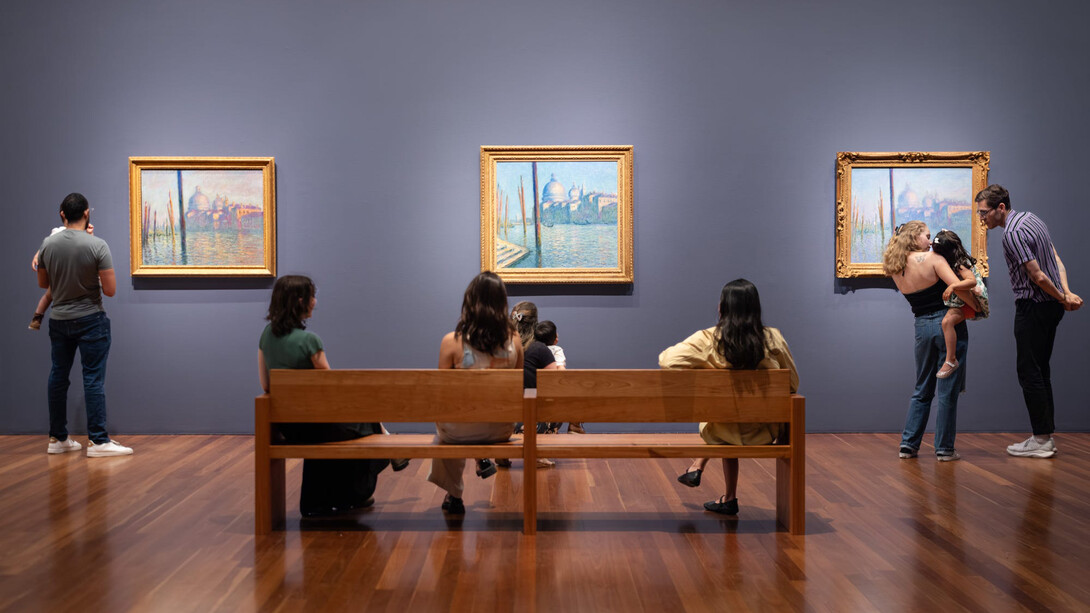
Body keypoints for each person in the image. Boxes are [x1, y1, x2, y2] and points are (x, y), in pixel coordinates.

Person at [660, 278, 799, 515]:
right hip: (762, 431)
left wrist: (711, 368)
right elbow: (793, 384)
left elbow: (667, 360)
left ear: (722, 307)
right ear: (755, 308)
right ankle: (728, 497)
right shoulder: (773, 337)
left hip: (722, 429)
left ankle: (700, 466)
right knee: (731, 419)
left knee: (724, 421)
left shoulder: (709, 339)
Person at [258, 275, 389, 517]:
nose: (315, 302)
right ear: (300, 301)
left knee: (357, 423)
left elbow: (266, 385)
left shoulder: (267, 335)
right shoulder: (310, 341)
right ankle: (355, 493)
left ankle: (324, 499)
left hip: (290, 428)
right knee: (368, 423)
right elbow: (332, 389)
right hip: (317, 425)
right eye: (312, 297)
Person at [975, 185, 1082, 458]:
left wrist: (1062, 297)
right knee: (1040, 369)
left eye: (984, 212)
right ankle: (1044, 435)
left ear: (1001, 208)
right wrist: (1066, 294)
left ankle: (1042, 439)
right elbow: (1056, 260)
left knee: (1029, 371)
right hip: (1050, 307)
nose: (981, 218)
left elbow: (1038, 276)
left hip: (1033, 307)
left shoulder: (1011, 233)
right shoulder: (1032, 219)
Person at [37, 193, 130, 456]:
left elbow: (44, 285)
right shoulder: (97, 245)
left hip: (59, 320)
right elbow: (110, 290)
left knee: (58, 377)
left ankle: (57, 439)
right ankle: (98, 441)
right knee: (92, 380)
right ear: (87, 213)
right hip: (91, 320)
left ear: (62, 214)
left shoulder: (48, 244)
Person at [428, 272, 524, 514]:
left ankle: (454, 493)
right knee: (457, 423)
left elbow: (442, 395)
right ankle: (478, 459)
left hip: (459, 432)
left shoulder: (451, 342)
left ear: (469, 302)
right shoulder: (515, 341)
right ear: (502, 303)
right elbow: (519, 387)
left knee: (448, 427)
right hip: (501, 429)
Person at [882, 221, 967, 462]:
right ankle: (944, 449)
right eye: (927, 236)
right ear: (914, 237)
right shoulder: (933, 259)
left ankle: (908, 445)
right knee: (947, 389)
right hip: (947, 321)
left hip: (921, 326)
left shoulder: (895, 267)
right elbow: (957, 288)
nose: (930, 241)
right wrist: (976, 301)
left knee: (922, 387)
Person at [931, 229, 989, 379]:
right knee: (947, 322)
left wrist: (953, 286)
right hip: (960, 300)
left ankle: (951, 360)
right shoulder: (949, 259)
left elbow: (972, 281)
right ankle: (950, 359)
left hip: (968, 302)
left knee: (947, 322)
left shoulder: (960, 263)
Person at [535, 319, 584, 434]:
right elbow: (561, 371)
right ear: (556, 338)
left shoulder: (533, 350)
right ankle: (574, 425)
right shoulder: (557, 350)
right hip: (552, 397)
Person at [29, 224, 71, 330]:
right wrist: (37, 255)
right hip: (60, 273)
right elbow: (46, 245)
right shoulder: (59, 232)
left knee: (49, 296)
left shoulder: (81, 232)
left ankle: (37, 317)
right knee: (48, 295)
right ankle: (37, 318)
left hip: (70, 272)